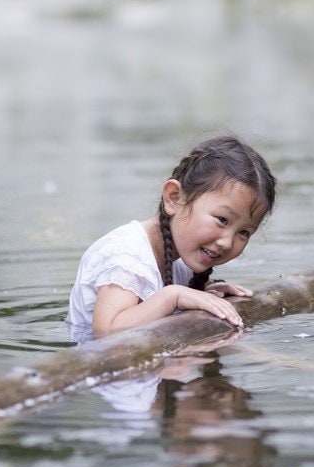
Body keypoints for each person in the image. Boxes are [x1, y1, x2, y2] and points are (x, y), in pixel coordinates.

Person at [67, 135, 276, 343]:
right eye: (222, 219)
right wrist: (174, 296)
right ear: (174, 198)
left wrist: (201, 293)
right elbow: (107, 332)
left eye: (244, 232)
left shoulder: (182, 259)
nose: (227, 242)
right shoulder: (126, 254)